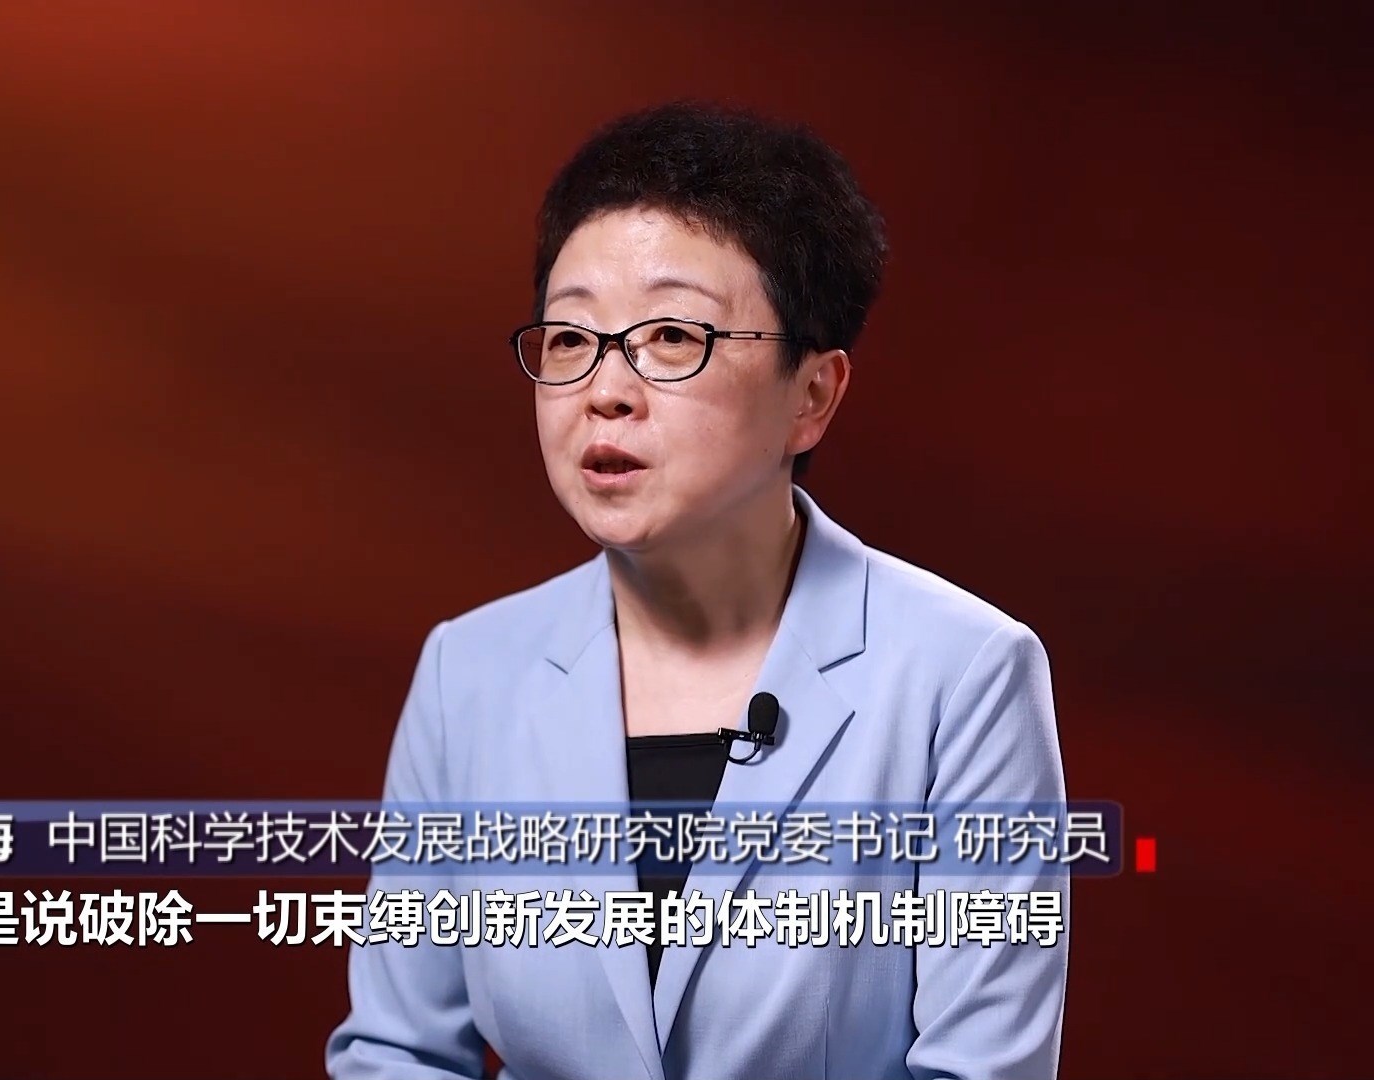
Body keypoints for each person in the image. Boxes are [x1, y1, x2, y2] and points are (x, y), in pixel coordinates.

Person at [326, 101, 1068, 1080]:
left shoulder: (962, 676)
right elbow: (398, 1053)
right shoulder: (468, 671)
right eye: (570, 339)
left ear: (813, 394)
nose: (605, 390)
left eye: (672, 335)